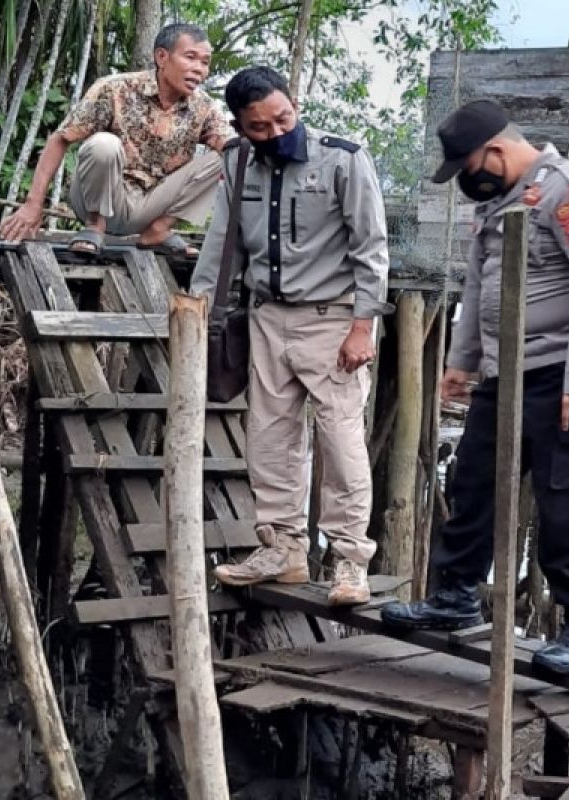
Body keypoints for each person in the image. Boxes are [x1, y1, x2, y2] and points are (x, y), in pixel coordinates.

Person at [380, 100, 569, 675]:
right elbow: (479, 284)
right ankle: (455, 596)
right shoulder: (498, 203)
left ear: (494, 151)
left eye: (467, 166)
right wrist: (462, 360)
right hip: (505, 370)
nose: (466, 180)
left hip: (567, 369)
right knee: (471, 483)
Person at [188, 66, 390, 606]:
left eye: (284, 118)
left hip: (332, 319)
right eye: (261, 126)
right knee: (269, 438)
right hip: (266, 317)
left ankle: (350, 559)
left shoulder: (344, 158)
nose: (277, 132)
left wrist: (362, 326)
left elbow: (371, 248)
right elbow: (220, 242)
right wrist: (201, 308)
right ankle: (283, 549)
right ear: (240, 126)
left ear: (293, 103)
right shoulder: (235, 162)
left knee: (340, 440)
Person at [0, 23, 232, 257]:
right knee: (104, 144)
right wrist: (33, 203)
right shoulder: (115, 88)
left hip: (152, 206)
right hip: (101, 198)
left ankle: (158, 231)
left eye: (205, 62)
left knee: (233, 153)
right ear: (162, 57)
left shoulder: (204, 106)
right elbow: (59, 140)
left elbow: (232, 145)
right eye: (190, 57)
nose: (199, 69)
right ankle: (95, 226)